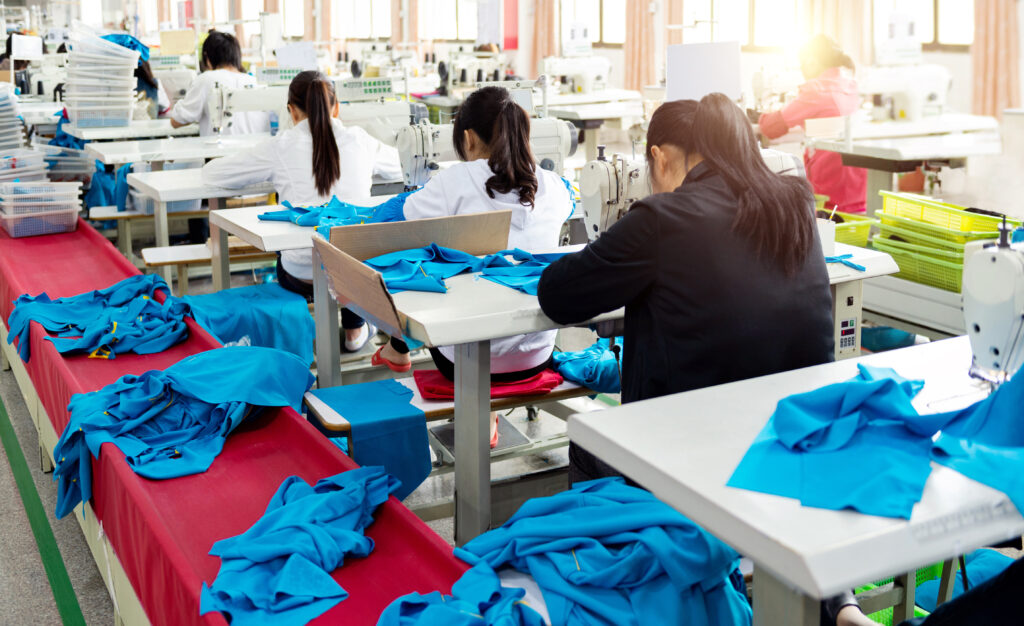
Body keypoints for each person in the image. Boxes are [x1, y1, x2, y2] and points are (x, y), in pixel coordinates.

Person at [537, 95, 835, 483]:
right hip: (792, 435)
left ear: (659, 158)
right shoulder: (795, 202)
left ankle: (634, 532)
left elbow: (558, 295)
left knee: (586, 440)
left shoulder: (664, 218)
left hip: (692, 453)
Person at [373, 85, 574, 446]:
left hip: (466, 360)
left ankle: (396, 350)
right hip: (538, 354)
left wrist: (410, 197)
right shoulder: (557, 187)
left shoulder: (455, 180)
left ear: (467, 138)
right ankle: (490, 412)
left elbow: (391, 217)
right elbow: (570, 205)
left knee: (418, 268)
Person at [202, 70, 401, 352]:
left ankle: (305, 329)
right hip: (356, 277)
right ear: (337, 106)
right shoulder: (360, 140)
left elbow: (213, 175)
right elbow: (405, 164)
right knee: (350, 250)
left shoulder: (280, 145)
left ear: (291, 111)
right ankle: (355, 328)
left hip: (299, 275)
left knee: (299, 249)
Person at [757, 34, 867, 213]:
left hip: (828, 192)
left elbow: (770, 129)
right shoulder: (850, 86)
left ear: (811, 61)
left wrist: (761, 115)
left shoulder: (816, 90)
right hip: (857, 191)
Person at [169, 30, 269, 136]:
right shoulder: (255, 81)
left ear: (207, 57)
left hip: (221, 151)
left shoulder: (206, 79)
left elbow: (176, 121)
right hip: (255, 149)